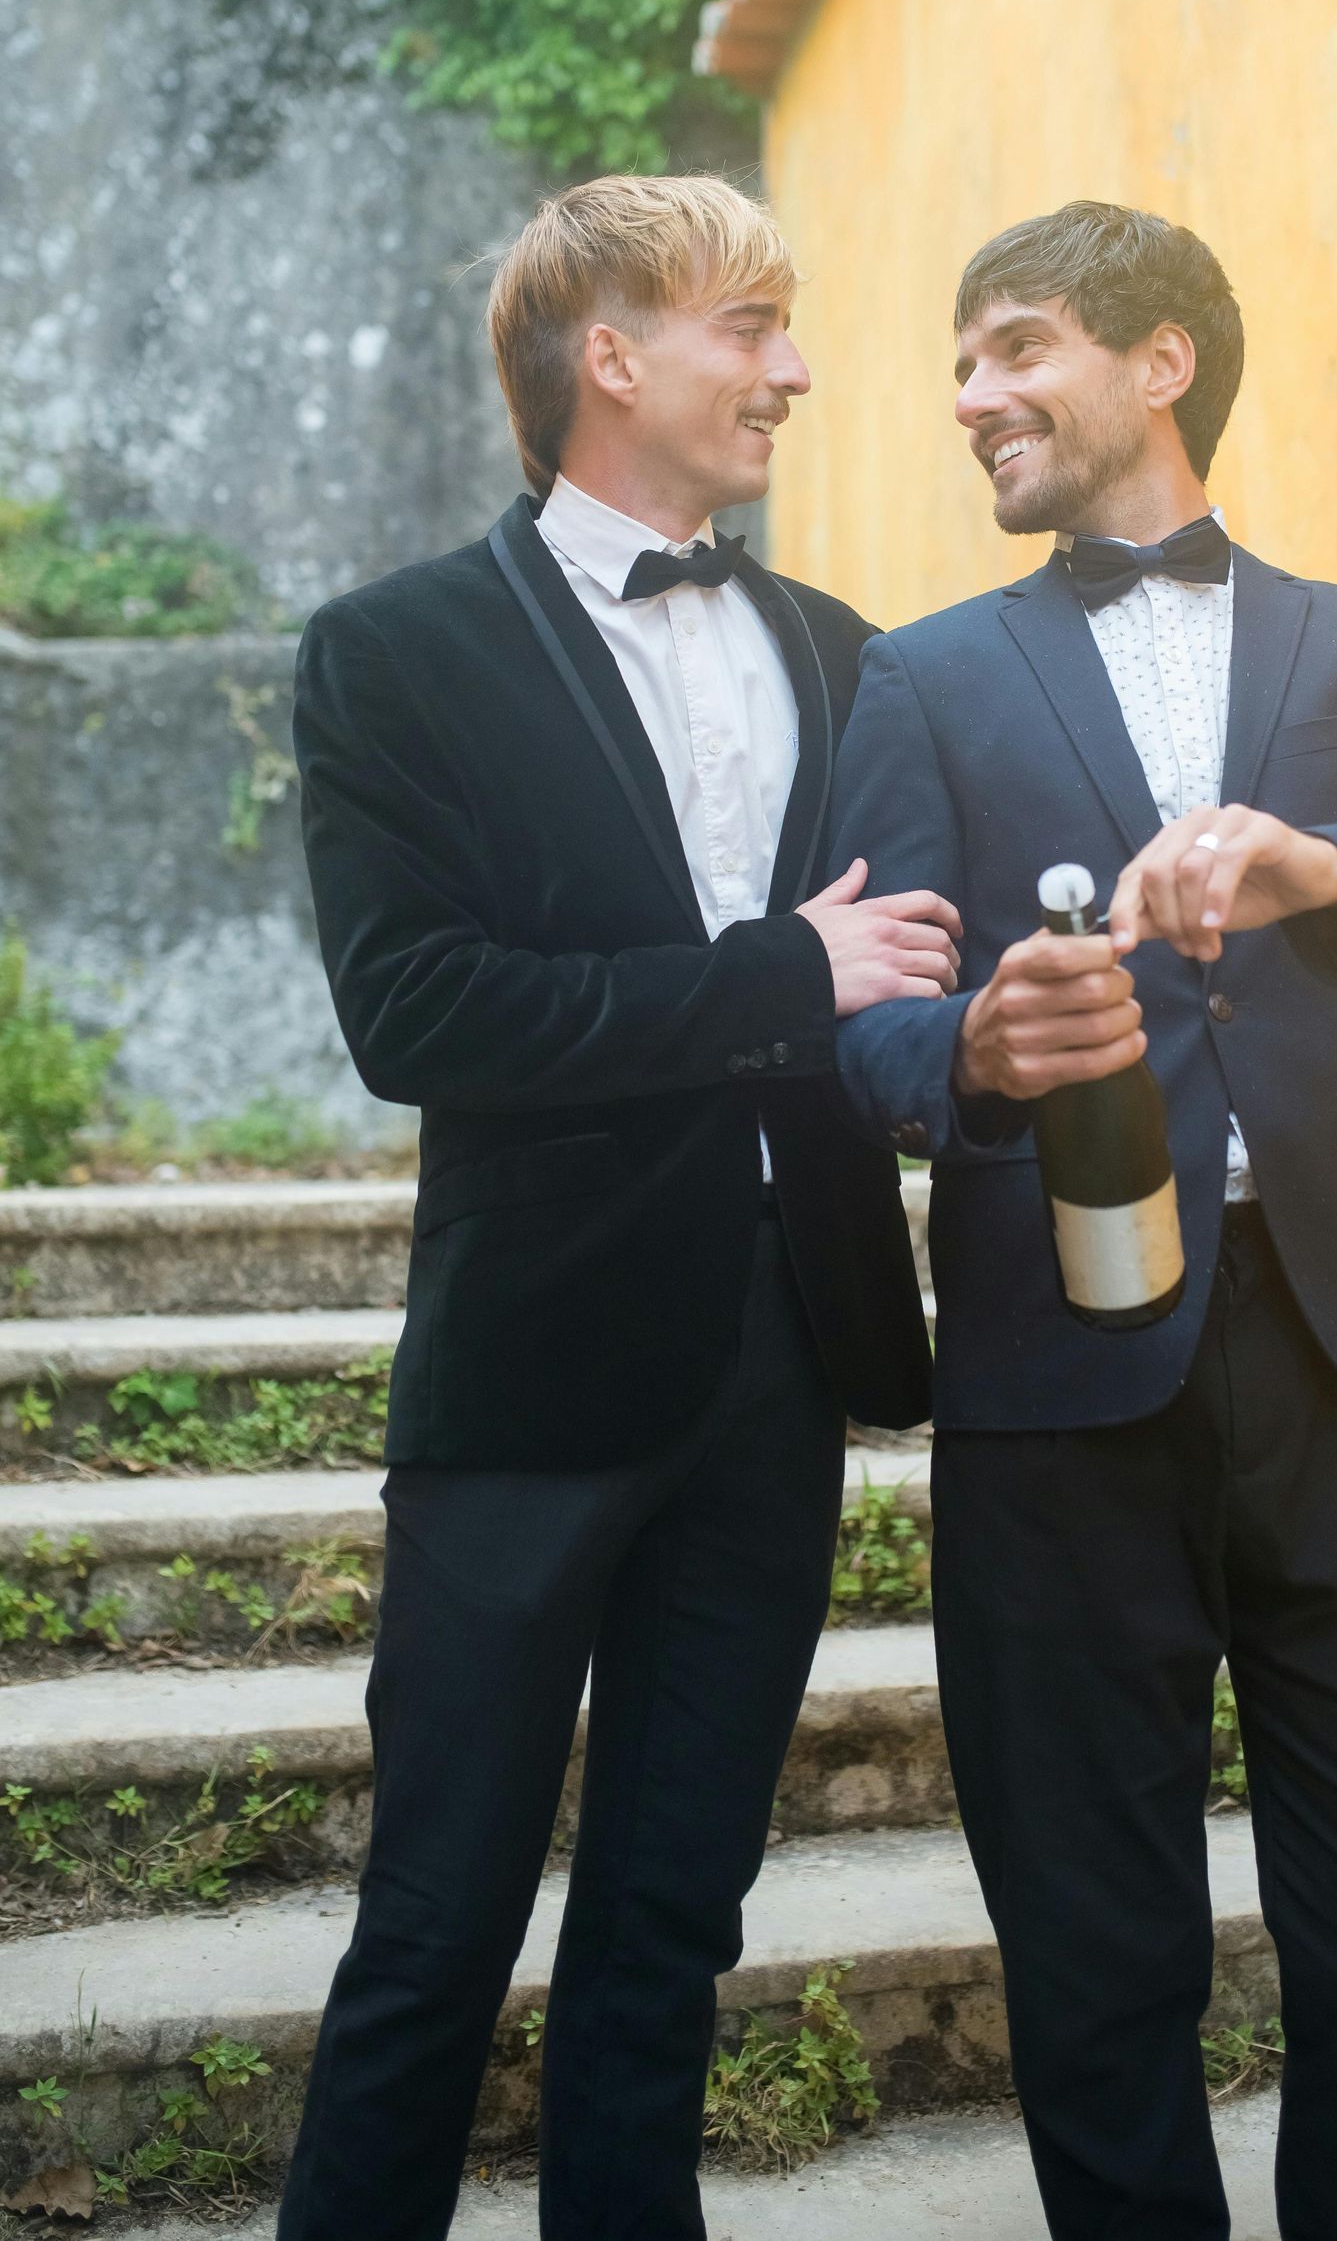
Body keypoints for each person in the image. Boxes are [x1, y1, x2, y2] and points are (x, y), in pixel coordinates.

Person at [829, 199, 1337, 2241]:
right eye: (958, 364)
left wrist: (1318, 859)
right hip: (1057, 1368)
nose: (969, 396)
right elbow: (867, 1024)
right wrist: (976, 1055)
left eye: (1011, 347)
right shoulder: (912, 679)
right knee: (1095, 1957)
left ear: (1158, 357)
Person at [280, 174, 958, 2241]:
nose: (798, 366)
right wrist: (777, 974)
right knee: (437, 1922)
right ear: (612, 354)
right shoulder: (389, 654)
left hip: (785, 1358)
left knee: (671, 1923)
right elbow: (420, 1011)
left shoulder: (840, 650)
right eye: (752, 321)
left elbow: (912, 972)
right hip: (532, 1375)